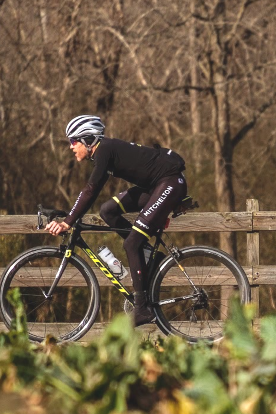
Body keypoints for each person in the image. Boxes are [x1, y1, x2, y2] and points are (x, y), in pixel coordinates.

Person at [46, 115, 187, 326]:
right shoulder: (105, 151)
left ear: (87, 139)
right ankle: (150, 256)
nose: (71, 147)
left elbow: (91, 189)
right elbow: (91, 193)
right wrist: (70, 217)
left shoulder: (104, 150)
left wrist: (68, 221)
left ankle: (142, 309)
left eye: (73, 141)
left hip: (170, 183)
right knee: (108, 210)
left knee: (131, 243)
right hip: (156, 186)